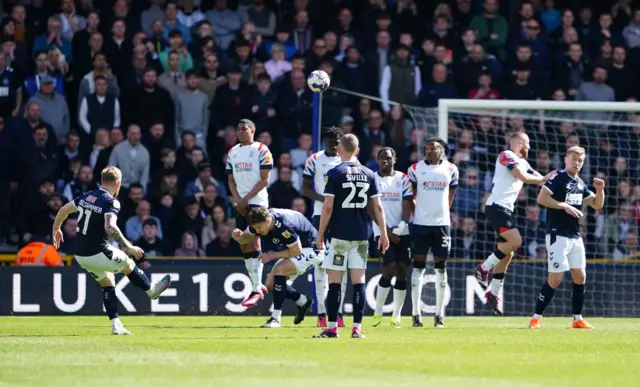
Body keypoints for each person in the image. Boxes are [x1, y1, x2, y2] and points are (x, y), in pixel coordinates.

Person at [50, 166, 171, 335]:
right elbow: (110, 226)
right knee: (128, 263)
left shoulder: (88, 196)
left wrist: (56, 229)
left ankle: (116, 326)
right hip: (98, 252)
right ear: (119, 184)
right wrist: (128, 246)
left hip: (80, 255)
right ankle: (152, 291)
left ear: (101, 181)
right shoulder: (111, 201)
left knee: (108, 281)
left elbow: (63, 210)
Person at [313, 134, 388, 339]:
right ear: (357, 150)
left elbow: (327, 207)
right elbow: (378, 207)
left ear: (339, 150)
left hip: (338, 235)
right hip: (361, 235)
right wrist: (383, 233)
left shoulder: (334, 173)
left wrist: (320, 234)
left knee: (334, 282)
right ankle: (357, 328)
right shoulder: (369, 174)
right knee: (359, 282)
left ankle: (331, 328)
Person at [475, 132, 554, 315]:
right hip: (496, 206)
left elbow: (540, 179)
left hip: (505, 209)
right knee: (516, 241)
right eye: (528, 143)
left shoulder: (525, 163)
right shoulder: (506, 155)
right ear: (520, 143)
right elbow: (524, 177)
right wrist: (544, 178)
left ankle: (493, 293)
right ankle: (483, 267)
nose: (530, 147)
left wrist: (556, 178)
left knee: (507, 252)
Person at [530, 146, 605, 329]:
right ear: (566, 159)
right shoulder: (558, 177)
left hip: (575, 235)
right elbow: (542, 198)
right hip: (557, 233)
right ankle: (536, 317)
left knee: (580, 276)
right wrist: (563, 205)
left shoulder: (580, 182)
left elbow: (596, 204)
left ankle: (577, 319)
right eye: (574, 159)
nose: (577, 163)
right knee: (555, 278)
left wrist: (600, 189)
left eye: (580, 160)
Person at [232, 207, 318, 328]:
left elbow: (297, 250)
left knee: (279, 270)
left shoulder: (283, 225)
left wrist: (271, 255)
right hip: (297, 248)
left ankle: (275, 319)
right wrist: (238, 237)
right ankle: (302, 301)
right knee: (270, 284)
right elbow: (244, 239)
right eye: (255, 229)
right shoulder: (260, 220)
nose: (258, 231)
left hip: (313, 248)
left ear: (267, 221)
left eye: (259, 228)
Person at [407, 138, 458, 328]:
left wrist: (443, 212)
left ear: (442, 150)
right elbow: (409, 195)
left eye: (434, 148)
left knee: (441, 268)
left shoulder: (451, 169)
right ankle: (416, 314)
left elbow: (451, 194)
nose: (429, 151)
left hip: (442, 225)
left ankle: (439, 315)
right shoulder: (415, 169)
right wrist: (417, 212)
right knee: (418, 267)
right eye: (427, 148)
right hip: (420, 224)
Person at [301, 126, 348, 328]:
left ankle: (336, 313)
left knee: (341, 264)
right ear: (324, 143)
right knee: (320, 262)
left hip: (343, 215)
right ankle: (321, 313)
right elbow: (305, 188)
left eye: (336, 143)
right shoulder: (314, 159)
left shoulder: (349, 160)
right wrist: (326, 200)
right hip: (320, 215)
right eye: (329, 142)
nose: (333, 146)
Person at [226, 119, 273, 308]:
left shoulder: (262, 149)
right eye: (238, 129)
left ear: (253, 130)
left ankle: (256, 287)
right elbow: (230, 180)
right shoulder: (233, 152)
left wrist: (246, 199)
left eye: (244, 129)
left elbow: (265, 180)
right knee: (243, 243)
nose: (240, 132)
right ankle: (256, 285)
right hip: (241, 202)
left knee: (254, 240)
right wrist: (238, 200)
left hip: (257, 202)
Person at [371, 147, 413, 328]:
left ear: (395, 159)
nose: (385, 161)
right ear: (377, 160)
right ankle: (378, 311)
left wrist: (401, 227)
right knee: (389, 269)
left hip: (402, 232)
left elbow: (407, 204)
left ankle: (396, 315)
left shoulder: (403, 179)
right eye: (382, 158)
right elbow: (370, 208)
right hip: (381, 233)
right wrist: (386, 231)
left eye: (388, 158)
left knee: (402, 270)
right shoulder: (372, 179)